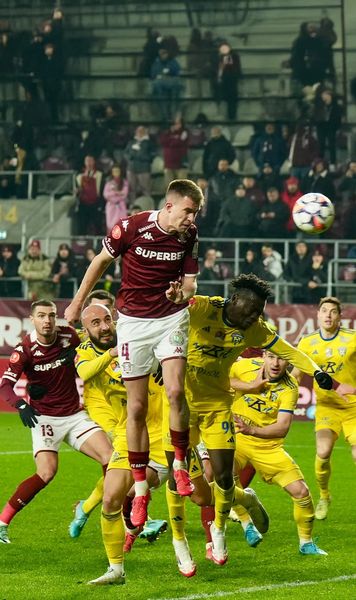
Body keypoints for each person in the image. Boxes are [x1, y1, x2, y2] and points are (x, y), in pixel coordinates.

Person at [164, 273, 333, 570]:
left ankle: (219, 530)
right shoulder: (205, 308)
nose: (255, 316)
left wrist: (316, 370)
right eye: (252, 309)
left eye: (260, 311)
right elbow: (170, 315)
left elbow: (289, 351)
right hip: (182, 407)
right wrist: (177, 300)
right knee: (184, 484)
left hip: (218, 407)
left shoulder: (254, 330)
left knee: (224, 478)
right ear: (234, 300)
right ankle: (180, 542)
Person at [64, 179, 205, 528]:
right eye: (189, 211)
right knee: (137, 407)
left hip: (171, 318)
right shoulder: (131, 227)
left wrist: (181, 296)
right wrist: (77, 303)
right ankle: (140, 488)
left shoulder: (189, 236)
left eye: (196, 213)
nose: (192, 218)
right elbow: (99, 263)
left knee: (174, 390)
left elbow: (190, 282)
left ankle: (179, 465)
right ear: (170, 206)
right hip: (133, 324)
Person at [0, 300, 113, 544]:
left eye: (51, 315)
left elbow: (87, 353)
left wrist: (76, 356)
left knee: (111, 457)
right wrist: (22, 404)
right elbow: (5, 385)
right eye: (41, 316)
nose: (47, 320)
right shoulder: (25, 349)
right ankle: (2, 523)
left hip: (74, 415)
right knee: (46, 472)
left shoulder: (69, 336)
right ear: (32, 319)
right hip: (45, 418)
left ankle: (115, 514)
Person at [71, 303, 168, 585]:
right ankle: (116, 570)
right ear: (86, 330)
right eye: (95, 324)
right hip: (129, 434)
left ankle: (240, 502)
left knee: (204, 494)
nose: (103, 327)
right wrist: (113, 353)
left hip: (162, 432)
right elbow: (86, 373)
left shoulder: (134, 334)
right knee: (113, 497)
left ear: (114, 320)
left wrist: (163, 361)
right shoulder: (86, 352)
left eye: (106, 320)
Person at [230, 352, 327, 555]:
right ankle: (247, 523)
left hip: (268, 447)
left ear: (288, 361)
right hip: (236, 439)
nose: (275, 363)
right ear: (264, 356)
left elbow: (282, 427)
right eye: (271, 357)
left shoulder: (290, 387)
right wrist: (247, 386)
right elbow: (219, 379)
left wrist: (252, 430)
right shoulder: (244, 367)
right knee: (219, 477)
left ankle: (306, 543)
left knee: (301, 492)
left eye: (281, 359)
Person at [292, 296, 356, 520]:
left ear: (340, 316)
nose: (328, 315)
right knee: (323, 452)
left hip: (353, 409)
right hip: (327, 408)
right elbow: (296, 375)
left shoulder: (352, 339)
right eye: (324, 311)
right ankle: (324, 496)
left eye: (333, 311)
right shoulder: (307, 343)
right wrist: (284, 399)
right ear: (317, 315)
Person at [103, 165, 129, 234]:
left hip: (121, 205)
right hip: (111, 206)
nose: (116, 173)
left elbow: (124, 194)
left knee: (122, 226)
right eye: (114, 171)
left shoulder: (124, 182)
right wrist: (116, 193)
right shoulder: (109, 183)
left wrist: (114, 192)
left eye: (117, 171)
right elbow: (106, 194)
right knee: (111, 226)